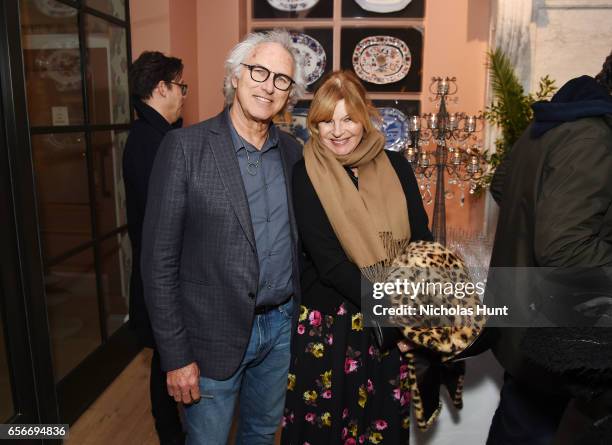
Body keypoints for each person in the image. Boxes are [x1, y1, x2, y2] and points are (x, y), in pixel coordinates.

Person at [141, 30, 306, 445]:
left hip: (281, 328)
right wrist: (176, 356)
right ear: (236, 76)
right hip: (210, 337)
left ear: (289, 94)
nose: (268, 86)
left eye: (281, 79)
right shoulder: (184, 148)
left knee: (262, 435)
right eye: (258, 71)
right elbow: (158, 264)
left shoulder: (293, 154)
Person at [281, 70, 432, 445]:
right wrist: (397, 318)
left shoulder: (396, 166)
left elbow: (420, 242)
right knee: (324, 433)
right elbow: (330, 265)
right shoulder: (307, 173)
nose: (338, 130)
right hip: (333, 328)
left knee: (381, 429)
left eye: (347, 118)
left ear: (364, 118)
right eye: (327, 120)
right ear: (314, 125)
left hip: (388, 330)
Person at [486, 50, 612, 445]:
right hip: (557, 333)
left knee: (518, 424)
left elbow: (501, 184)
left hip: (527, 320)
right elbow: (564, 248)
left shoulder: (553, 120)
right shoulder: (592, 134)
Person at [123, 50, 187, 445]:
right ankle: (171, 436)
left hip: (156, 271)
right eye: (181, 86)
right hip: (161, 273)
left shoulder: (153, 135)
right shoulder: (153, 141)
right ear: (160, 88)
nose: (184, 95)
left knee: (167, 359)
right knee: (170, 360)